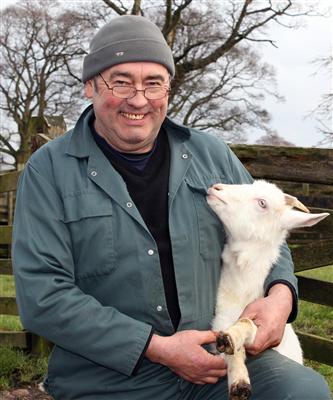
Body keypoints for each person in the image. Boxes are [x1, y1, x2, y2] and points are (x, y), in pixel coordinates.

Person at [12, 15, 330, 400]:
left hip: (219, 362)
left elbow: (266, 230)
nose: (139, 99)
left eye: (153, 83)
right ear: (89, 86)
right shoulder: (49, 172)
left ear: (168, 89)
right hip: (109, 378)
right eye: (121, 81)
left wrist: (281, 295)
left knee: (303, 392)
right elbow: (43, 296)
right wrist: (158, 347)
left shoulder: (210, 155)